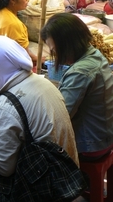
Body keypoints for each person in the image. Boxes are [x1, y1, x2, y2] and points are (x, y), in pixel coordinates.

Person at [0, 35, 79, 201]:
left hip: (42, 190)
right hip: (65, 175)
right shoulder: (44, 83)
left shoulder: (6, 104)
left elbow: (3, 167)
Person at [40, 12, 113, 161]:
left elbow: (61, 117)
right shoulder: (95, 56)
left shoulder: (81, 71)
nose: (54, 54)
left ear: (68, 44)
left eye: (54, 50)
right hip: (104, 135)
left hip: (90, 145)